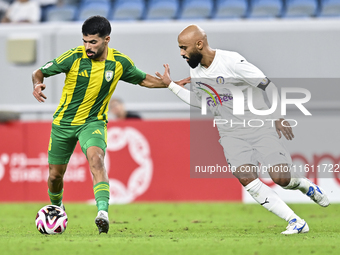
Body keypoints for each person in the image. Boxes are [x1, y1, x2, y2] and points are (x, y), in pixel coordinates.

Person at [163, 24, 329, 235]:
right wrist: (171, 86)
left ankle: (306, 187)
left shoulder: (232, 62)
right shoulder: (195, 68)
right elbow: (202, 101)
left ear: (199, 44)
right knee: (246, 177)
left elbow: (268, 86)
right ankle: (295, 221)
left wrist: (278, 116)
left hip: (258, 126)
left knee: (281, 178)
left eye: (184, 48)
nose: (181, 53)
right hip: (230, 132)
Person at [31, 16, 180, 234]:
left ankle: (102, 213)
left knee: (97, 160)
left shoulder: (119, 62)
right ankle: (57, 206)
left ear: (106, 39)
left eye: (93, 42)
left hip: (93, 122)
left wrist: (169, 84)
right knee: (55, 176)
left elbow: (143, 79)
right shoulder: (73, 57)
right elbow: (39, 72)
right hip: (63, 124)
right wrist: (37, 85)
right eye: (85, 41)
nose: (87, 46)